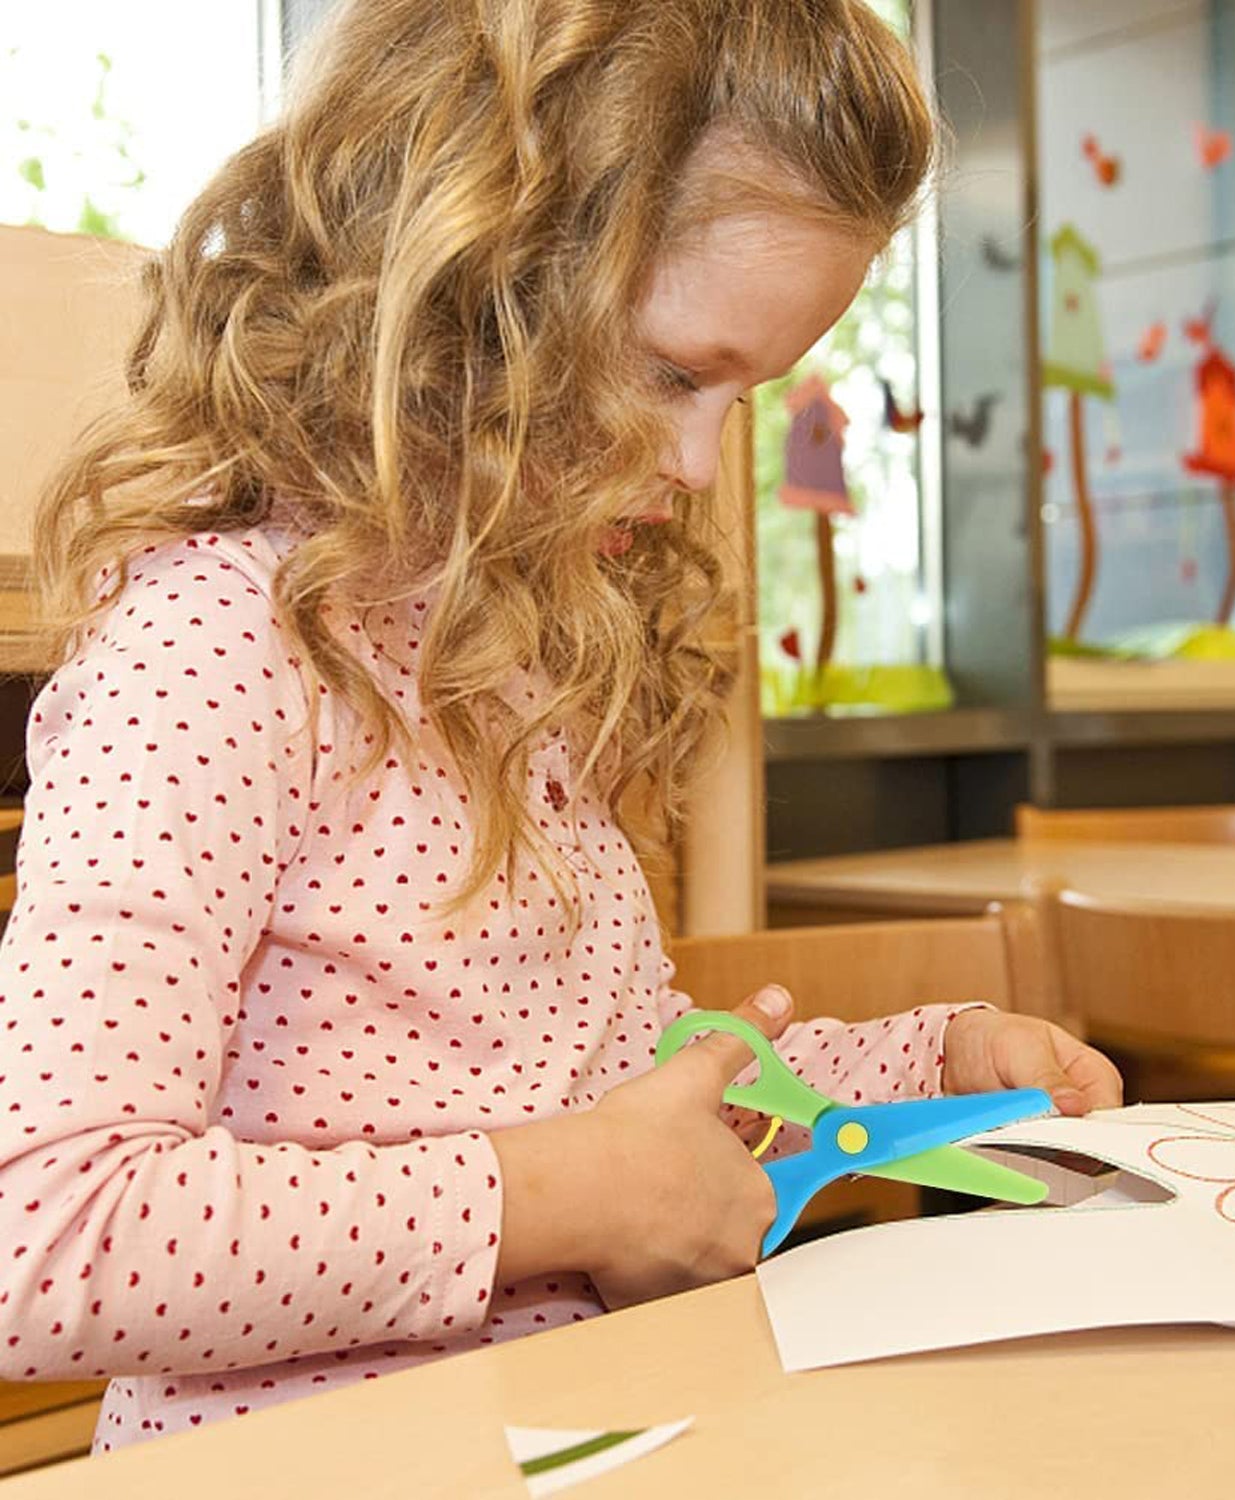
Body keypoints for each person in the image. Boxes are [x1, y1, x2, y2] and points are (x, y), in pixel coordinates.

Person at [0, 0, 1122, 1453]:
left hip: (578, 1441)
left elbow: (616, 1103)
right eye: (672, 374)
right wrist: (573, 1196)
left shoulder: (515, 644)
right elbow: (47, 1236)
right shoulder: (216, 647)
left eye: (746, 394)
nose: (701, 462)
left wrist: (926, 1068)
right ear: (462, 280)